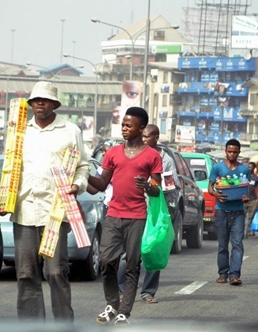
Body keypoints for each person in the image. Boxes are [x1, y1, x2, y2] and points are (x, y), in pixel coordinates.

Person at [7, 81, 89, 323]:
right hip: (24, 211)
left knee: (55, 272)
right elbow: (10, 166)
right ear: (31, 104)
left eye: (44, 100)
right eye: (35, 100)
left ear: (54, 104)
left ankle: (64, 324)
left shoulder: (70, 131)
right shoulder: (20, 130)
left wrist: (77, 185)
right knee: (25, 274)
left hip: (56, 212)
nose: (39, 104)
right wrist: (3, 198)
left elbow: (83, 166)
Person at [88, 107, 162, 326]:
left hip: (137, 216)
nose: (124, 128)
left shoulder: (152, 155)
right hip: (113, 214)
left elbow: (157, 188)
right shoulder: (112, 153)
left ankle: (124, 312)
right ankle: (112, 304)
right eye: (123, 125)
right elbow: (101, 184)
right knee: (106, 261)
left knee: (132, 265)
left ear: (141, 128)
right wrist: (83, 175)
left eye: (129, 125)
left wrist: (148, 185)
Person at [117, 124, 180, 304]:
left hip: (152, 213)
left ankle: (148, 292)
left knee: (152, 250)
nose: (143, 140)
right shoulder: (131, 153)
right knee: (127, 254)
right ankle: (122, 291)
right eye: (142, 136)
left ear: (156, 138)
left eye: (147, 137)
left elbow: (173, 188)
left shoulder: (165, 159)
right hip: (132, 209)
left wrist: (162, 187)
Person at [208, 139, 250, 286]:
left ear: (239, 152)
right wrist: (216, 195)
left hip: (238, 212)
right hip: (221, 211)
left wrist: (245, 198)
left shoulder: (244, 170)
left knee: (237, 244)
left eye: (235, 152)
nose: (232, 154)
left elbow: (245, 189)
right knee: (223, 245)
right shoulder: (217, 168)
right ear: (225, 152)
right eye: (229, 151)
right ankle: (222, 273)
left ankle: (234, 275)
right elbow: (210, 188)